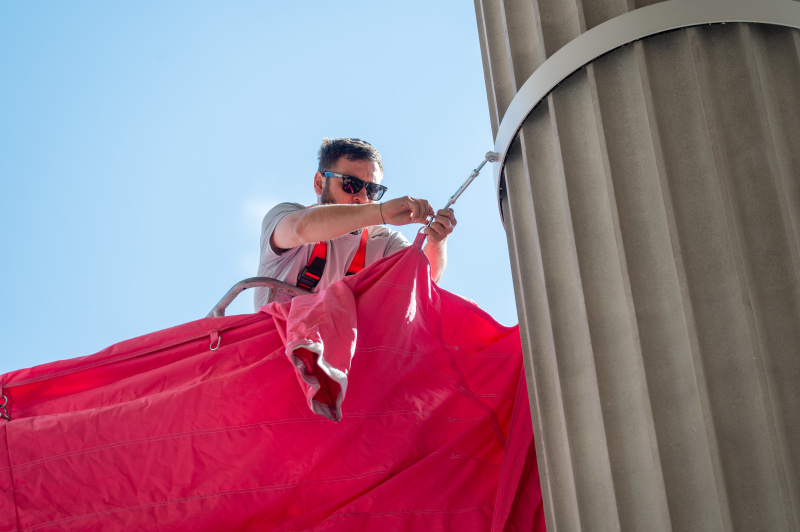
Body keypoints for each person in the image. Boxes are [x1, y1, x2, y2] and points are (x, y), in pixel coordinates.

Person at [254, 137, 456, 308]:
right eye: (351, 184)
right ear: (319, 183)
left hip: (338, 352)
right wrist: (381, 211)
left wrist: (436, 242)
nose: (362, 197)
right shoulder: (286, 215)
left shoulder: (383, 241)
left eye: (372, 190)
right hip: (277, 348)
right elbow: (301, 228)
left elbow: (421, 280)